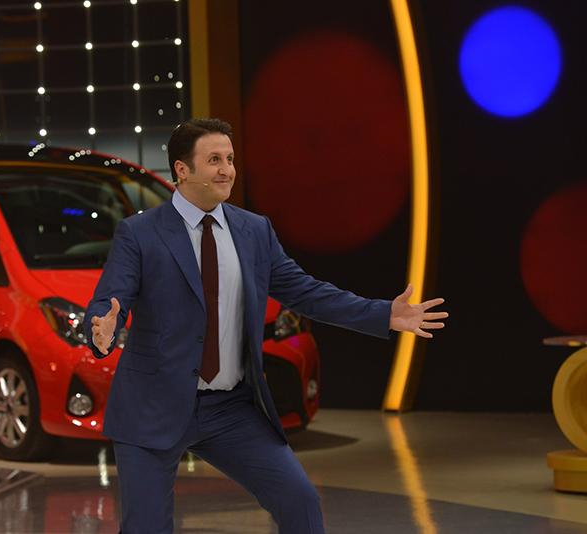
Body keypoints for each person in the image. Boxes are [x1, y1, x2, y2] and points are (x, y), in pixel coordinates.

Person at [84, 118, 447, 534]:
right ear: (182, 170)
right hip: (153, 404)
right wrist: (102, 328)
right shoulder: (139, 233)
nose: (227, 170)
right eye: (214, 160)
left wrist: (381, 313)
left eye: (230, 159)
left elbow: (306, 292)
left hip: (229, 409)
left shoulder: (253, 230)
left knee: (300, 501)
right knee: (146, 527)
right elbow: (110, 299)